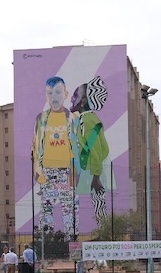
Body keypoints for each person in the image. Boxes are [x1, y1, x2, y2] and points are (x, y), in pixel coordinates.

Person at [32, 75, 77, 235]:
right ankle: (48, 242)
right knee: (46, 210)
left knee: (69, 211)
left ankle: (70, 241)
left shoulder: (73, 118)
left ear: (65, 94)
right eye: (50, 93)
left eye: (58, 92)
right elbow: (36, 145)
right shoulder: (42, 118)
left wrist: (75, 171)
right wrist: (38, 173)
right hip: (48, 172)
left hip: (67, 172)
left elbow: (78, 146)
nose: (54, 97)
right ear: (46, 96)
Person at [70, 75, 113, 223]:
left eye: (76, 95)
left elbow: (93, 150)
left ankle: (104, 232)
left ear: (83, 101)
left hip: (93, 171)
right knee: (98, 204)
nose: (72, 98)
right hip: (92, 168)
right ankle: (103, 229)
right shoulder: (89, 118)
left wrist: (96, 177)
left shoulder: (87, 121)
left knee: (98, 204)